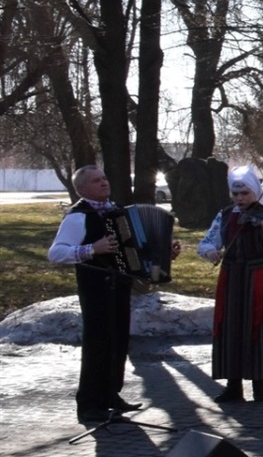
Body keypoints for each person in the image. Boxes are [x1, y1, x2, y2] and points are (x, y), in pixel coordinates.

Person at [47, 166, 180, 424]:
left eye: (104, 178)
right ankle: (89, 404)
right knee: (97, 344)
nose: (104, 183)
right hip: (95, 286)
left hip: (119, 285)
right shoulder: (78, 217)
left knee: (118, 341)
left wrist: (164, 251)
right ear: (82, 189)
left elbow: (138, 248)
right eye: (96, 181)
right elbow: (56, 253)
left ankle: (110, 395)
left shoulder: (118, 211)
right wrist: (91, 249)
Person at [198, 165, 263, 403]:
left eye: (245, 194)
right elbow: (206, 242)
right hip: (232, 277)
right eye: (236, 194)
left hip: (259, 275)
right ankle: (233, 385)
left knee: (259, 326)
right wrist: (211, 253)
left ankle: (259, 386)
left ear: (255, 192)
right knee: (231, 327)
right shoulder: (226, 214)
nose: (240, 199)